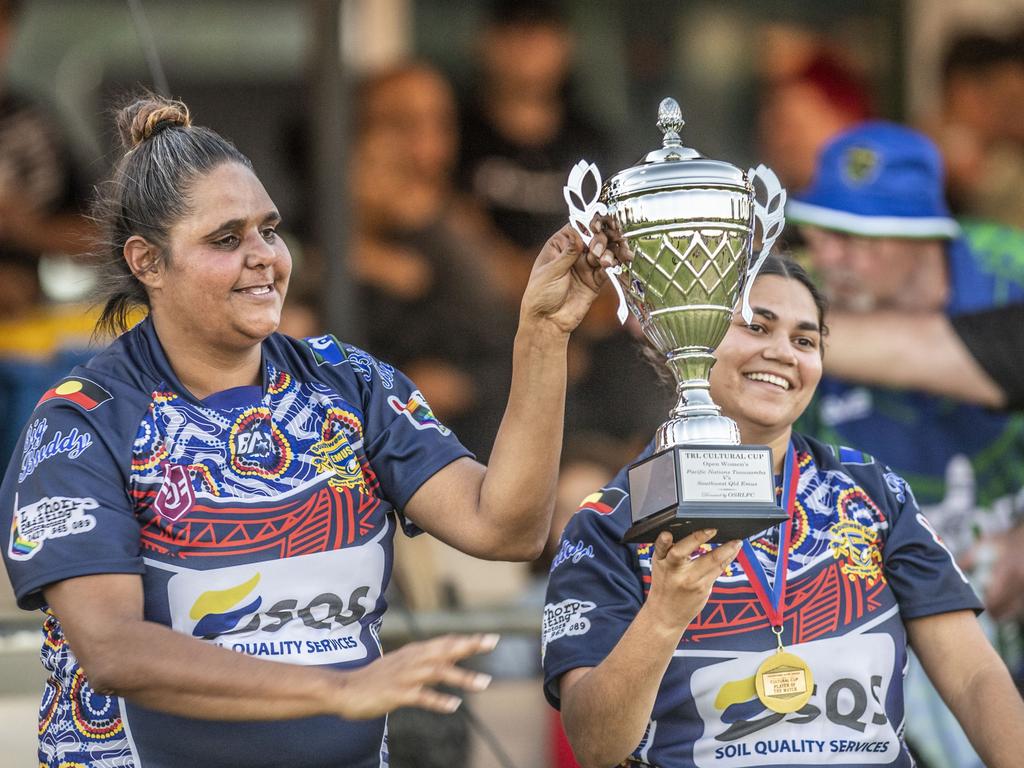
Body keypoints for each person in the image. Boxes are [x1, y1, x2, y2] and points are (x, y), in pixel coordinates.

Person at [0, 95, 624, 768]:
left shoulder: (347, 383)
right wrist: (339, 689)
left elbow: (504, 528)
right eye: (225, 239)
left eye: (269, 230)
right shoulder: (83, 420)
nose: (263, 256)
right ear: (148, 262)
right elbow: (114, 649)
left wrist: (542, 337)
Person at [542, 255, 1024, 768]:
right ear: (690, 340)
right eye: (756, 326)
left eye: (805, 340)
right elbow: (594, 745)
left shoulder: (874, 492)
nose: (782, 353)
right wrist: (662, 620)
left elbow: (975, 678)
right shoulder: (612, 520)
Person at [786, 121, 1024, 768]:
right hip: (898, 613)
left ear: (924, 238)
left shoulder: (1010, 272)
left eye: (856, 238)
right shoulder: (794, 298)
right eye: (819, 228)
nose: (827, 255)